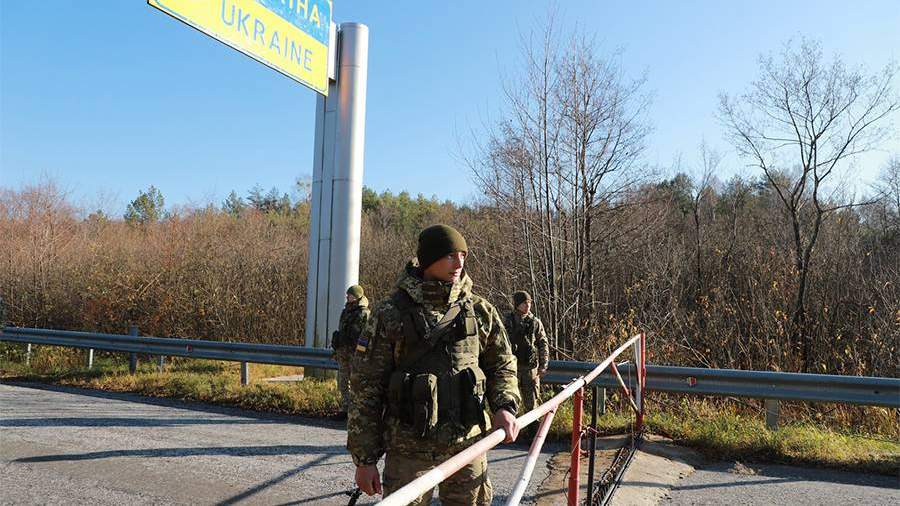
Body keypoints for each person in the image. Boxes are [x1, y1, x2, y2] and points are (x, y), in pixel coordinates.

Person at [348, 224, 520, 505]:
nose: (459, 263)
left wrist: (505, 405)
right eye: (451, 255)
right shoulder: (390, 314)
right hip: (409, 451)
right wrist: (364, 460)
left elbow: (502, 364)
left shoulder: (479, 310)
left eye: (463, 255)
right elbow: (366, 388)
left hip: (468, 445)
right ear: (429, 260)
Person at [503, 291, 549, 417]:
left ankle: (533, 433)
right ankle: (513, 433)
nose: (528, 305)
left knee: (532, 405)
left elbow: (543, 344)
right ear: (517, 304)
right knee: (511, 404)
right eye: (524, 303)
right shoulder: (507, 321)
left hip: (530, 369)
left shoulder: (535, 322)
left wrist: (543, 365)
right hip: (512, 369)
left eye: (529, 302)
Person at [331, 284, 370, 421]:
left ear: (357, 296)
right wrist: (337, 349)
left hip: (355, 354)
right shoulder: (345, 312)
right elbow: (341, 330)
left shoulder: (364, 313)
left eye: (350, 294)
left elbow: (366, 336)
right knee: (342, 381)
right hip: (343, 352)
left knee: (355, 382)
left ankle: (355, 410)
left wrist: (361, 354)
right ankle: (344, 408)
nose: (347, 296)